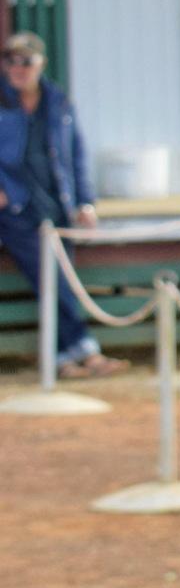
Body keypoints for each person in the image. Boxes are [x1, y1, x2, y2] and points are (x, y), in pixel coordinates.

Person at [0, 31, 124, 377]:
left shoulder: (57, 102)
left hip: (56, 204)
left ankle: (70, 355)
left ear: (40, 64)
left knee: (60, 279)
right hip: (15, 210)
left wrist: (85, 202)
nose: (17, 68)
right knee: (50, 277)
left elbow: (76, 156)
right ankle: (79, 352)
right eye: (10, 60)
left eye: (25, 61)